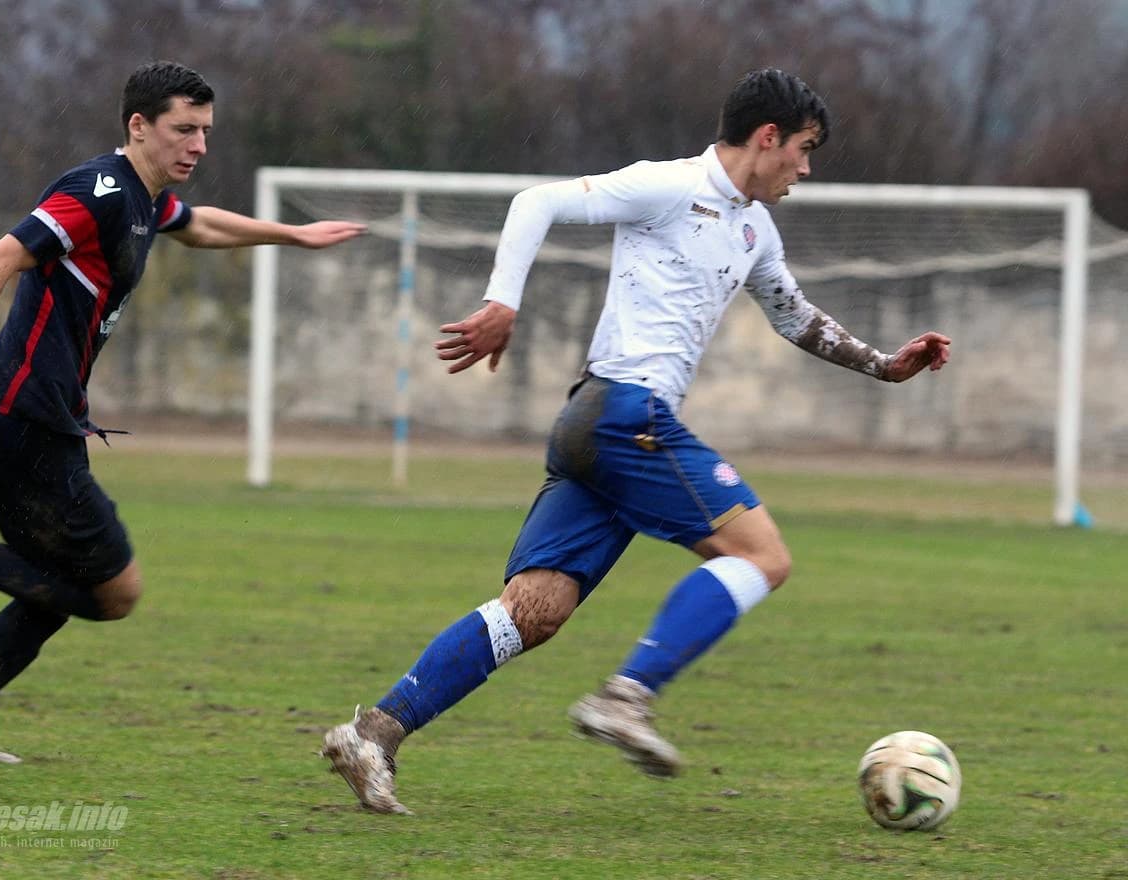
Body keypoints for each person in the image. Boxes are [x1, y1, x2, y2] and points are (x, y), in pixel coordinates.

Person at [321, 68, 950, 813]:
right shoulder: (668, 184)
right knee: (764, 557)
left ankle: (375, 733)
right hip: (625, 415)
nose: (805, 169)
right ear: (768, 137)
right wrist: (502, 302)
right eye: (804, 149)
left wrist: (883, 365)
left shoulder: (755, 230)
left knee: (534, 611)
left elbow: (795, 315)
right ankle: (626, 697)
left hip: (595, 425)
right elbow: (536, 201)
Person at [0, 61, 365, 763]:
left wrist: (293, 235)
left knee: (55, 587)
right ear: (139, 126)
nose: (198, 145)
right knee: (114, 592)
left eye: (205, 131)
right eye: (184, 129)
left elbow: (198, 226)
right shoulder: (97, 191)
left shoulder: (145, 198)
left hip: (33, 414)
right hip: (26, 416)